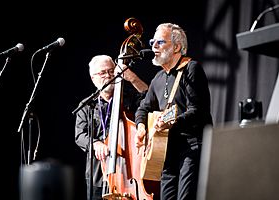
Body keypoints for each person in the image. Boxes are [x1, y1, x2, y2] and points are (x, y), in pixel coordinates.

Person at [134, 23, 213, 200]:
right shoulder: (158, 78)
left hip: (191, 146)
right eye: (152, 41)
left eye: (160, 42)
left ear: (177, 47)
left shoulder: (191, 69)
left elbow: (199, 110)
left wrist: (172, 121)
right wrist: (140, 127)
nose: (153, 46)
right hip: (167, 149)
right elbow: (143, 108)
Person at [75, 55, 148, 200]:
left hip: (128, 172)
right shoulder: (87, 106)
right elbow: (79, 135)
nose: (108, 76)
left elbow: (151, 98)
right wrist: (95, 143)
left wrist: (133, 78)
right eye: (103, 73)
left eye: (111, 71)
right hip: (97, 175)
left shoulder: (129, 97)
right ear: (93, 78)